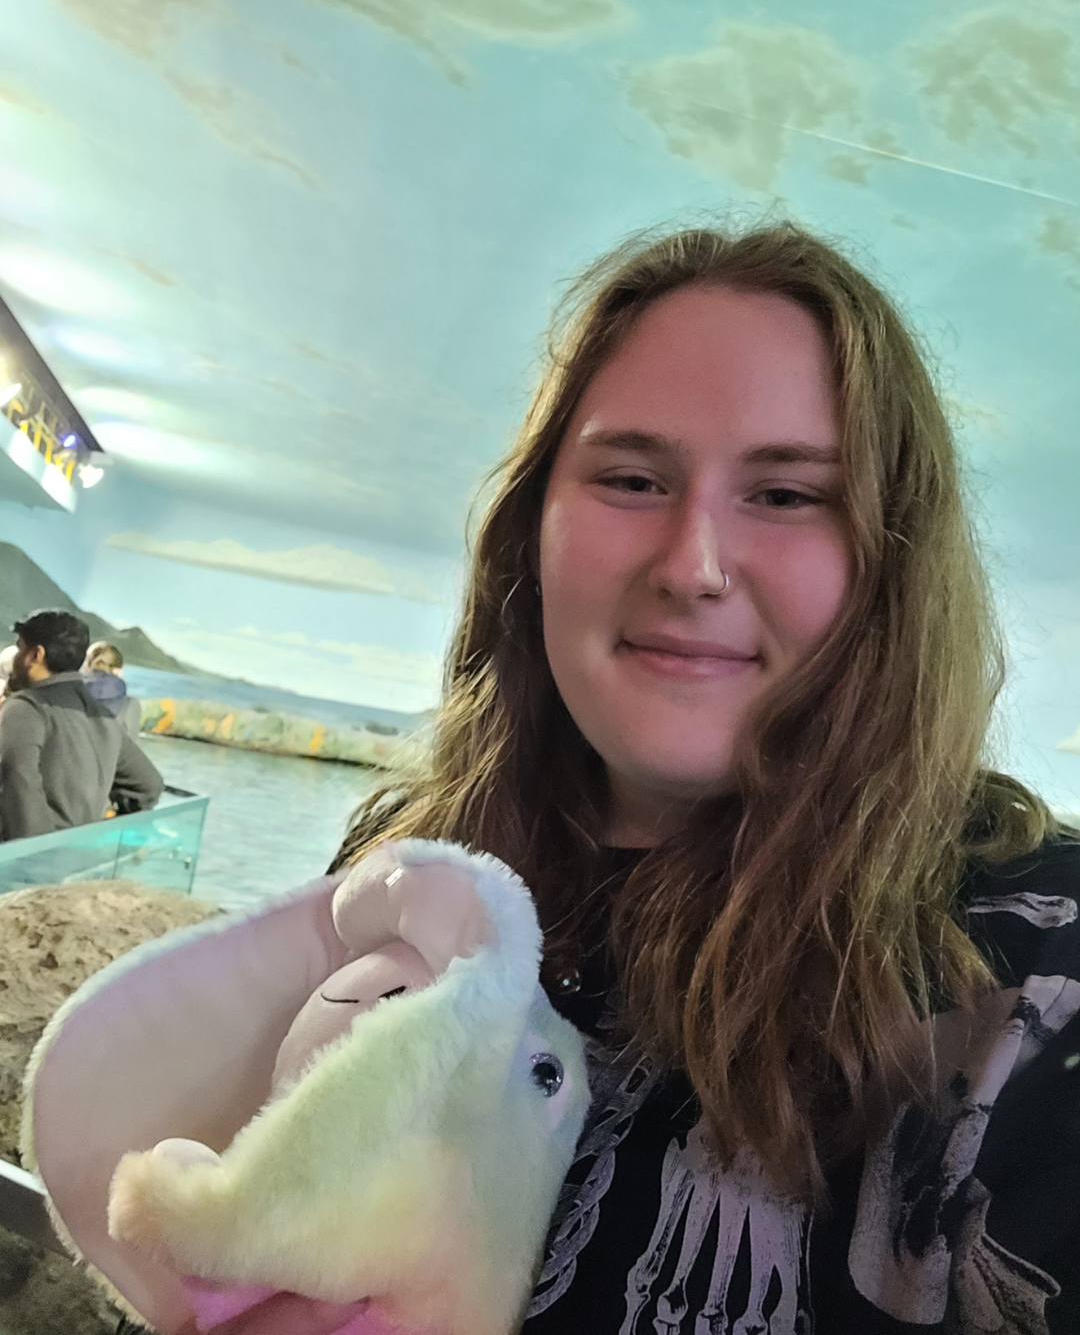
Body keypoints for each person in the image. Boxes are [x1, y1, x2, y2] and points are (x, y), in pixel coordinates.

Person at [163, 222, 1080, 1335]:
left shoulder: (1044, 965)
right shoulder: (403, 868)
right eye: (633, 478)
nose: (691, 566)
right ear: (530, 527)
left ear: (892, 559)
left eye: (788, 494)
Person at [0, 609, 163, 842]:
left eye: (20, 647)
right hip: (75, 863)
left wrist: (33, 862)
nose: (15, 658)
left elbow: (18, 787)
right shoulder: (104, 717)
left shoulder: (26, 707)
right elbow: (149, 785)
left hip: (24, 867)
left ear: (35, 655)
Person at [82, 639, 142, 738]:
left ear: (86, 665)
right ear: (118, 671)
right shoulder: (129, 705)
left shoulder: (68, 694)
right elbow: (131, 746)